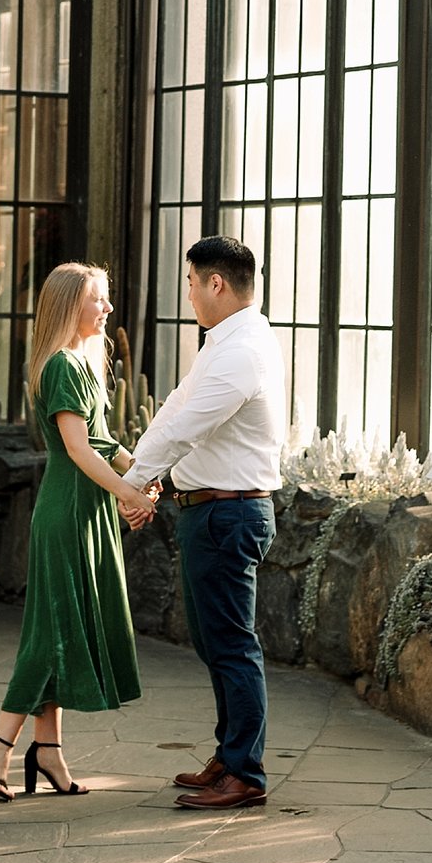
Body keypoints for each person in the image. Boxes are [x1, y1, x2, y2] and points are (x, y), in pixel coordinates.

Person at [0, 262, 154, 801]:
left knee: (64, 631)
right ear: (71, 305)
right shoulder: (64, 367)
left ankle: (48, 751)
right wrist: (128, 493)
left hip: (84, 513)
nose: (108, 309)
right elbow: (77, 449)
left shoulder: (81, 363)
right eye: (99, 299)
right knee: (51, 636)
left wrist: (144, 474)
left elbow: (104, 441)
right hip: (68, 514)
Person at [123, 234, 287, 811]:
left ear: (216, 283)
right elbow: (174, 406)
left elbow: (185, 426)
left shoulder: (242, 350)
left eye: (192, 282)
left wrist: (134, 480)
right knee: (215, 642)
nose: (188, 294)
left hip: (228, 511)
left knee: (232, 645)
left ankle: (244, 772)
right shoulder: (225, 343)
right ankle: (230, 754)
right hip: (211, 508)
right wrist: (147, 473)